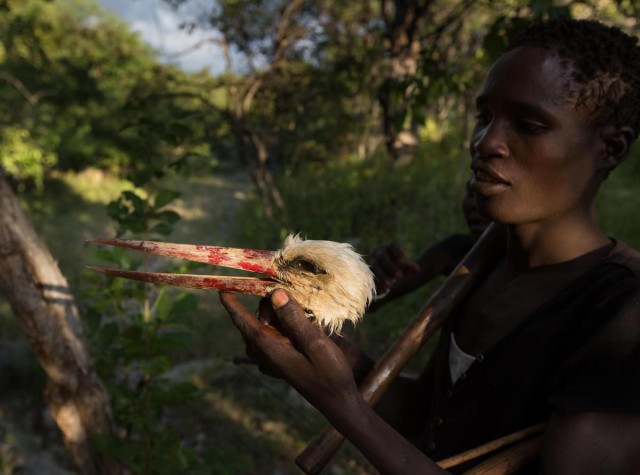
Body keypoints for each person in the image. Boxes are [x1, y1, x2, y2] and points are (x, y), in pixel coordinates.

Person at [220, 17, 640, 474]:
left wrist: (343, 404)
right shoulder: (479, 263)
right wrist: (350, 368)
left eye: (529, 125)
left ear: (611, 149)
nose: (486, 142)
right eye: (484, 117)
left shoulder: (623, 315)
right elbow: (430, 419)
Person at [368, 178, 490, 311]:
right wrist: (378, 280)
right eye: (471, 193)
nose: (475, 204)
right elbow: (371, 300)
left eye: (487, 194)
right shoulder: (455, 250)